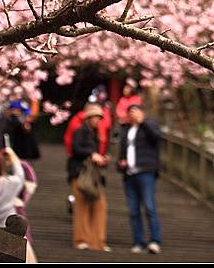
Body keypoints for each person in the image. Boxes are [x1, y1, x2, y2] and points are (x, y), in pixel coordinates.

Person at [117, 104, 163, 254]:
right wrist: (121, 163)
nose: (132, 115)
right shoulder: (126, 130)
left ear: (142, 112)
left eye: (135, 111)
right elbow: (122, 152)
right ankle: (138, 241)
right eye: (130, 112)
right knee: (133, 210)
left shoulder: (149, 125)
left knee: (149, 207)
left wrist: (143, 122)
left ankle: (155, 241)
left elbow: (156, 138)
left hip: (146, 171)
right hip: (129, 174)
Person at [67, 103, 111, 252]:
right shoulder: (80, 131)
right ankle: (81, 239)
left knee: (100, 205)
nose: (97, 120)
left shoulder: (96, 135)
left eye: (99, 117)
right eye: (95, 117)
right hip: (80, 173)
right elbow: (75, 149)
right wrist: (91, 154)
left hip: (93, 175)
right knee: (82, 205)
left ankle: (98, 241)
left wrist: (102, 158)